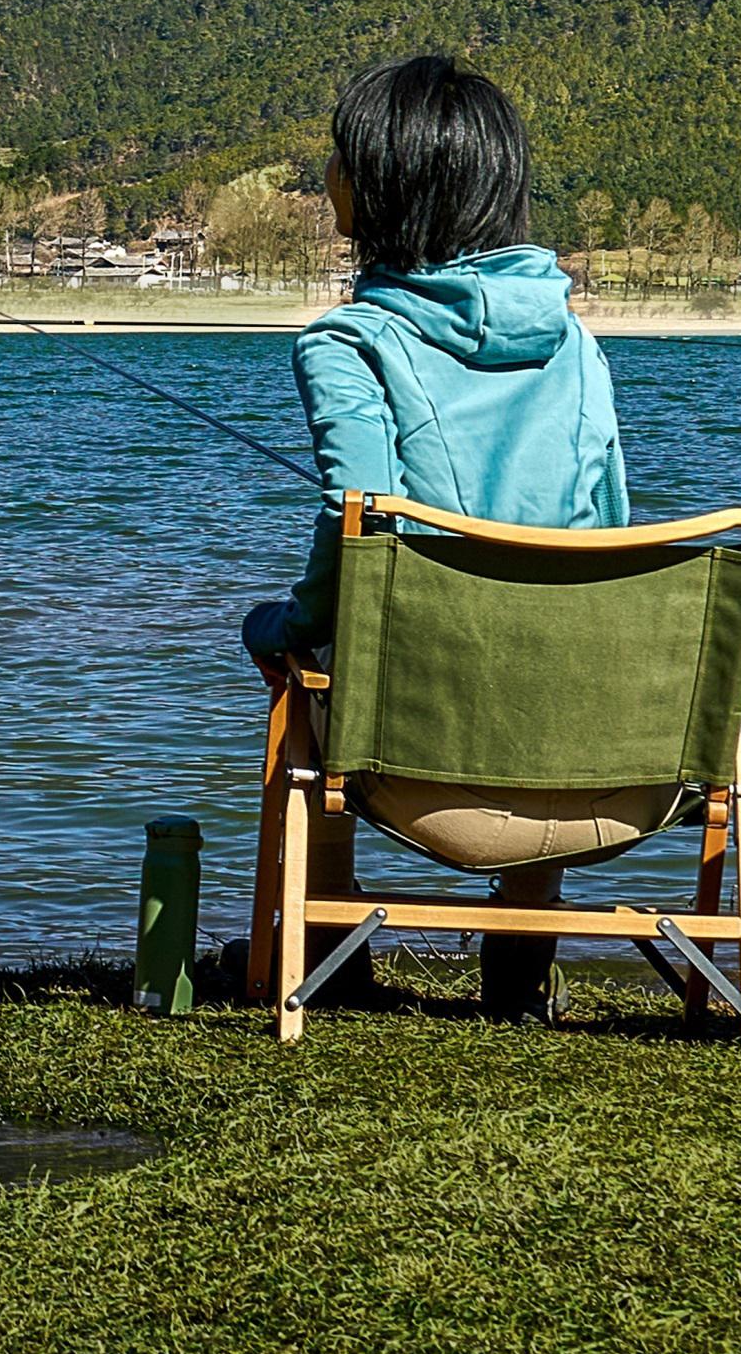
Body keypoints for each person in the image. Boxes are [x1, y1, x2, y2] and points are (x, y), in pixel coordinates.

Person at [245, 51, 630, 1014]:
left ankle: (330, 944)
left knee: (300, 649)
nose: (326, 175)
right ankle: (521, 968)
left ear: (380, 186)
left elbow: (353, 528)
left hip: (420, 758)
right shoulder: (577, 341)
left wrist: (282, 626)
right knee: (547, 634)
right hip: (602, 758)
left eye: (339, 157)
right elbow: (609, 533)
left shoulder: (346, 343)